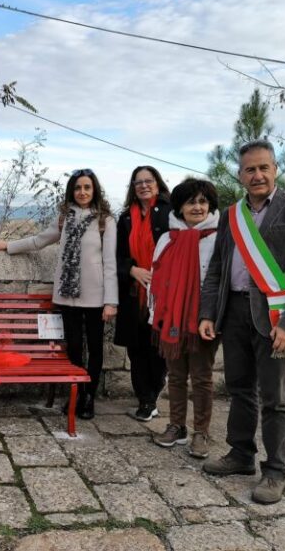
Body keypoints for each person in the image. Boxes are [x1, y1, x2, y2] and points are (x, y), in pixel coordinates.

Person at [199, 139, 285, 504]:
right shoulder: (231, 215)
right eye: (250, 169)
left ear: (275, 170)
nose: (257, 175)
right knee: (238, 389)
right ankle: (240, 455)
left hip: (275, 318)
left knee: (275, 397)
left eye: (263, 168)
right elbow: (218, 268)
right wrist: (208, 313)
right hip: (234, 313)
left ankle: (275, 471)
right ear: (240, 175)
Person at [0, 168, 117, 419]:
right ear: (72, 191)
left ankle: (89, 397)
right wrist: (10, 246)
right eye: (78, 188)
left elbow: (110, 261)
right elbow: (39, 240)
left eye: (87, 187)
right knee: (73, 348)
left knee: (95, 348)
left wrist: (111, 301)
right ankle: (77, 394)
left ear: (94, 190)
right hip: (67, 295)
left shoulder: (105, 220)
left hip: (95, 295)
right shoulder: (64, 217)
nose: (82, 192)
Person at [149, 178, 219, 459]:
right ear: (179, 206)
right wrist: (156, 316)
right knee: (176, 376)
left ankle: (201, 431)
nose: (198, 207)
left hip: (204, 319)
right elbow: (156, 277)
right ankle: (176, 426)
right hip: (172, 318)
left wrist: (211, 316)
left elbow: (220, 281)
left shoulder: (218, 236)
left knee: (202, 377)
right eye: (191, 201)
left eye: (203, 201)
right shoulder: (168, 238)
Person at [114, 166, 171, 421]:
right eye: (138, 182)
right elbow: (115, 256)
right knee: (136, 349)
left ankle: (152, 396)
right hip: (134, 292)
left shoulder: (171, 213)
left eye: (148, 181)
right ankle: (144, 399)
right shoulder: (126, 218)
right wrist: (132, 270)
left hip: (163, 292)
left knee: (157, 348)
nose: (143, 186)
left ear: (158, 184)